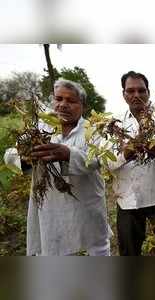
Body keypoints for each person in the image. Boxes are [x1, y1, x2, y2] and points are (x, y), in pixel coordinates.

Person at [4, 79, 111, 256]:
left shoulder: (94, 129)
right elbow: (10, 155)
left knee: (95, 251)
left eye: (71, 101)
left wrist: (68, 153)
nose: (63, 105)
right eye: (59, 99)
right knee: (54, 253)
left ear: (82, 105)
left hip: (87, 208)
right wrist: (26, 158)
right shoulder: (40, 127)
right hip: (50, 209)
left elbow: (99, 158)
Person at [108, 71, 155, 256]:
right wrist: (127, 153)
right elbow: (107, 162)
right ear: (123, 94)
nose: (136, 95)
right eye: (130, 91)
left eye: (141, 90)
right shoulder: (113, 124)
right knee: (129, 250)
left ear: (148, 92)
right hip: (127, 198)